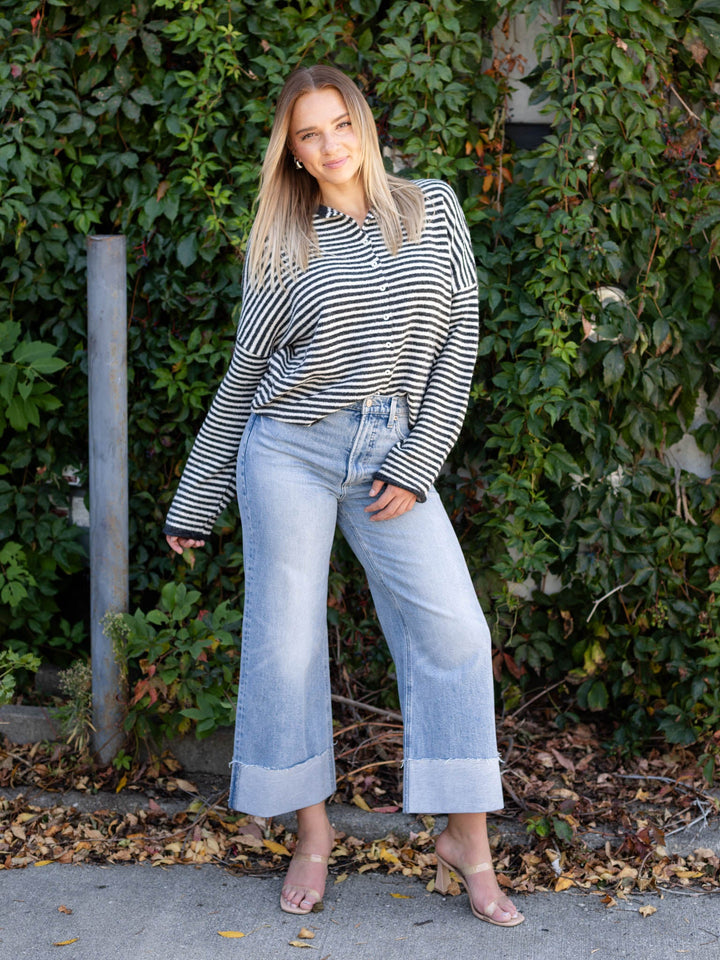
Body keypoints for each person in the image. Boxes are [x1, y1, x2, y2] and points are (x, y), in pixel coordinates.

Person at [164, 63, 523, 928]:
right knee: (287, 648)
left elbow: (461, 329)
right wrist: (197, 495)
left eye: (339, 126)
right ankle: (312, 836)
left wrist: (419, 458)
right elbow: (247, 375)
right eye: (307, 135)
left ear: (363, 124)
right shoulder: (284, 243)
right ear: (289, 152)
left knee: (455, 631)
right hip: (288, 449)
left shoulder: (431, 206)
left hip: (391, 449)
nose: (328, 147)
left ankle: (466, 840)